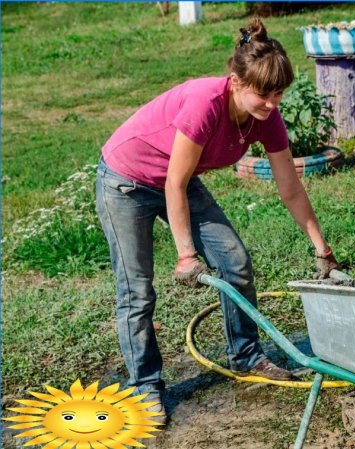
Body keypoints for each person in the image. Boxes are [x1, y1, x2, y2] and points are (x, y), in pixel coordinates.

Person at [96, 18, 339, 422]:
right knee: (137, 291)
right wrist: (186, 254)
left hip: (179, 177)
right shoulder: (205, 103)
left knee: (235, 263)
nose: (272, 104)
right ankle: (146, 386)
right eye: (263, 94)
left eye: (278, 94)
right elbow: (172, 184)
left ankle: (246, 355)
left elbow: (291, 188)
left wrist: (322, 249)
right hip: (127, 180)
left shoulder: (267, 116)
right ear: (236, 82)